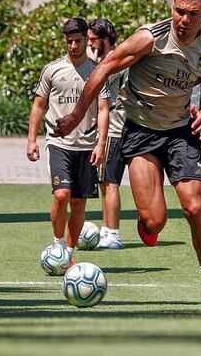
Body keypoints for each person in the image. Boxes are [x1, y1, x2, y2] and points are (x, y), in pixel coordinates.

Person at [53, 0, 201, 306]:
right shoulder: (151, 38)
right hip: (141, 131)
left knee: (194, 206)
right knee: (155, 220)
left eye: (192, 14)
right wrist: (77, 116)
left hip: (180, 133)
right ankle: (147, 222)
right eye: (178, 11)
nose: (183, 19)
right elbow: (103, 67)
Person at [27, 18, 110, 263]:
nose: (73, 46)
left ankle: (70, 254)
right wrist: (31, 140)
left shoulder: (97, 71)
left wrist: (101, 144)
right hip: (58, 143)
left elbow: (104, 109)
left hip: (86, 145)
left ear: (87, 38)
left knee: (78, 202)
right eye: (69, 41)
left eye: (77, 40)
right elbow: (38, 105)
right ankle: (58, 246)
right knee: (62, 194)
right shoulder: (52, 70)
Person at [87, 18, 124, 250]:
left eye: (92, 39)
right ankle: (106, 228)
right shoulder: (113, 58)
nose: (89, 44)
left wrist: (91, 63)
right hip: (113, 126)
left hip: (114, 127)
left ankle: (113, 234)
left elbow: (92, 83)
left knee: (110, 182)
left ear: (104, 39)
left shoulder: (110, 61)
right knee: (104, 181)